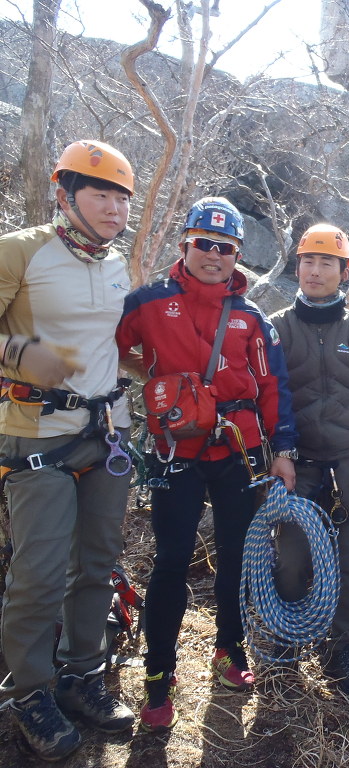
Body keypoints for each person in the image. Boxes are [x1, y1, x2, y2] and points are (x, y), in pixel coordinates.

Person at [116, 196, 298, 733]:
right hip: (176, 453)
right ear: (185, 245)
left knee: (237, 555)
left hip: (237, 454)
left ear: (237, 254)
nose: (214, 255)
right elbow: (107, 347)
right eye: (204, 244)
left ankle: (229, 651)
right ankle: (158, 673)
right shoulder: (147, 302)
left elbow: (273, 385)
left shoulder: (251, 316)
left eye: (225, 247)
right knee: (170, 561)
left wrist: (283, 450)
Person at [0, 139, 136, 760]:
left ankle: (83, 673)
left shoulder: (116, 264)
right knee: (39, 572)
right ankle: (29, 690)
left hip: (108, 431)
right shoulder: (22, 251)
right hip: (38, 435)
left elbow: (115, 340)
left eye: (121, 197)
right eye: (101, 193)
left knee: (99, 560)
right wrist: (17, 355)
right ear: (65, 191)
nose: (114, 208)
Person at [269, 223, 349, 696]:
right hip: (298, 460)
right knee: (292, 558)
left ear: (344, 270)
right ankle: (287, 642)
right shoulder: (276, 326)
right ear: (297, 266)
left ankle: (342, 651)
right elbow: (271, 397)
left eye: (327, 263)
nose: (316, 271)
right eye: (308, 261)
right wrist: (279, 454)